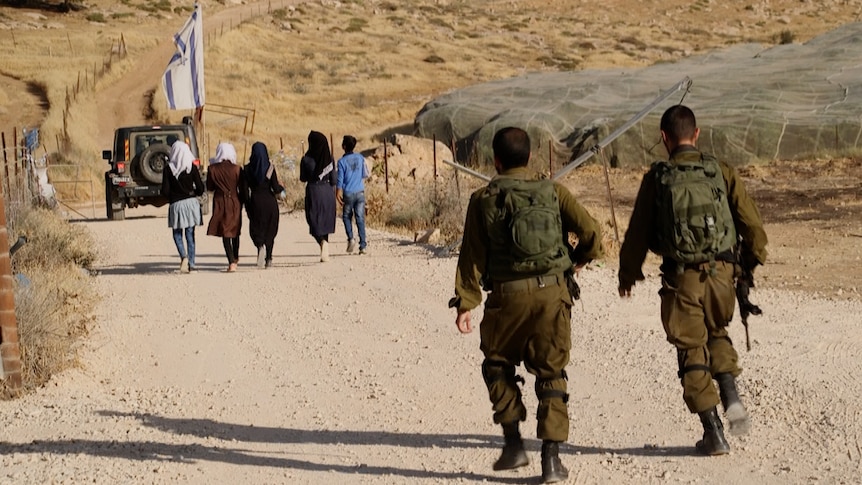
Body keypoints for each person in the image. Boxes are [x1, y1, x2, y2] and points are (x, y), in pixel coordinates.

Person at [450, 127, 604, 484]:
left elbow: (471, 257)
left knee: (497, 365)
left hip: (506, 299)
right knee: (552, 373)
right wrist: (576, 261)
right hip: (553, 296)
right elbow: (593, 234)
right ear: (531, 157)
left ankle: (514, 443)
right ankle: (551, 461)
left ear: (496, 161)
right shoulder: (553, 191)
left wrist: (466, 303)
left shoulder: (483, 199)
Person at [618, 105, 768, 455]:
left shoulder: (657, 178)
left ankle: (713, 432)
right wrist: (745, 267)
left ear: (664, 139)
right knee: (716, 331)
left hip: (682, 278)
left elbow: (637, 234)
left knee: (691, 349)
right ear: (697, 134)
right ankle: (730, 393)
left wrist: (628, 274)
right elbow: (754, 230)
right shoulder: (720, 170)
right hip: (722, 277)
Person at [162, 140, 204, 273]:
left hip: (176, 204)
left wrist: (172, 198)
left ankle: (183, 256)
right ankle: (192, 264)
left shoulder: (168, 169)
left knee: (177, 233)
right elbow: (201, 188)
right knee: (190, 234)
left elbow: (165, 190)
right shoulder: (192, 167)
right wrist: (193, 194)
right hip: (191, 204)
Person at [244, 141, 285, 269]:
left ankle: (259, 246)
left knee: (257, 229)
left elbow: (245, 192)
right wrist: (281, 188)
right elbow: (276, 188)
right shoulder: (270, 168)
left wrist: (248, 207)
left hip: (255, 202)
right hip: (270, 203)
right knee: (270, 230)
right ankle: (269, 258)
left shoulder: (247, 169)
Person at [206, 142, 246, 272]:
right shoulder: (237, 169)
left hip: (220, 202)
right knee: (235, 230)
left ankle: (231, 262)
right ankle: (235, 257)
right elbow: (242, 188)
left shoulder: (212, 169)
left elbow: (210, 187)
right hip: (235, 200)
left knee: (225, 232)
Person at [300, 131, 337, 262]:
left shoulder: (306, 159)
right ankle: (325, 243)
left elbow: (302, 178)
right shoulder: (329, 159)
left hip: (313, 191)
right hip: (327, 191)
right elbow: (334, 179)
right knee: (325, 221)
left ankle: (321, 242)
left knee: (313, 221)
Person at [336, 135, 369, 254]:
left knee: (346, 217)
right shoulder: (360, 157)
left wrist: (338, 191)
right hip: (360, 192)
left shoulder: (341, 162)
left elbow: (340, 179)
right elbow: (365, 173)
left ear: (343, 146)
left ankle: (351, 238)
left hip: (348, 193)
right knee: (360, 218)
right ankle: (363, 245)